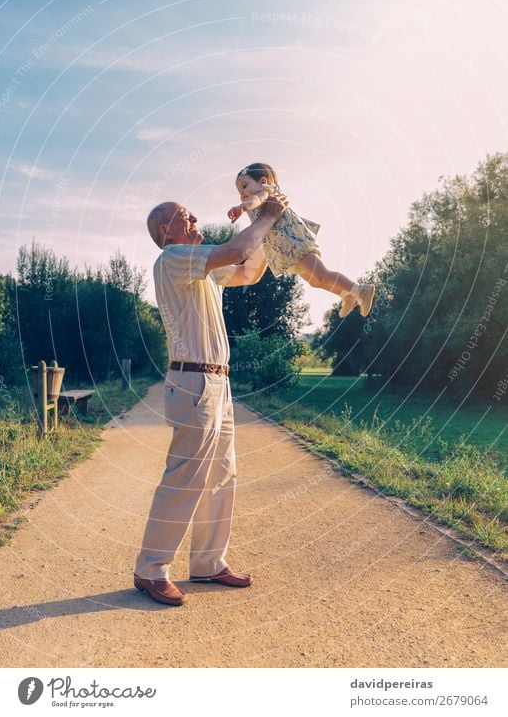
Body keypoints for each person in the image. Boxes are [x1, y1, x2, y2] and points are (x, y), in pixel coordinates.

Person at [134, 191, 288, 606]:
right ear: (167, 230)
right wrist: (266, 214)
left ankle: (207, 563)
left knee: (222, 476)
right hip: (193, 383)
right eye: (185, 215)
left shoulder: (202, 269)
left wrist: (267, 221)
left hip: (216, 383)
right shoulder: (174, 258)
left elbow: (248, 268)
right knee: (185, 478)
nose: (196, 217)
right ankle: (151, 569)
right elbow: (237, 248)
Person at [228, 163, 375, 318]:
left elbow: (256, 200)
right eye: (239, 191)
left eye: (244, 186)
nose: (242, 193)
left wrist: (241, 207)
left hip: (297, 246)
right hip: (286, 253)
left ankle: (360, 289)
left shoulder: (266, 192)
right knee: (315, 281)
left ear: (263, 181)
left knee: (321, 275)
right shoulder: (257, 202)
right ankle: (346, 294)